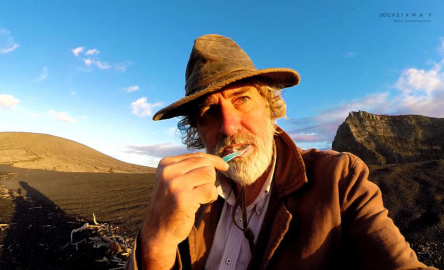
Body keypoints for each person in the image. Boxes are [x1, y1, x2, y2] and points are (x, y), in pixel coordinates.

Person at [126, 34, 432, 269]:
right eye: (209, 112)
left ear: (270, 109)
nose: (229, 127)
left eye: (242, 99)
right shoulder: (190, 201)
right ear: (197, 130)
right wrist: (157, 237)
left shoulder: (340, 180)